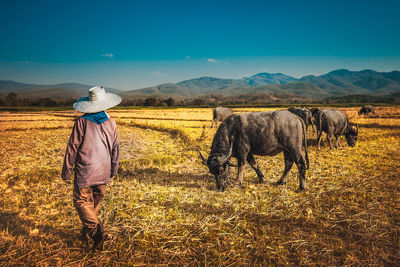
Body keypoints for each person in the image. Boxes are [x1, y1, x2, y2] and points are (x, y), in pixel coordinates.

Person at [62, 86, 121, 251]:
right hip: (104, 170)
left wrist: (67, 170)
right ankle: (87, 232)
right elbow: (115, 148)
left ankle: (97, 234)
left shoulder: (81, 122)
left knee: (82, 201)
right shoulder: (111, 121)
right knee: (93, 203)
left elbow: (73, 147)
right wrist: (113, 170)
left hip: (86, 170)